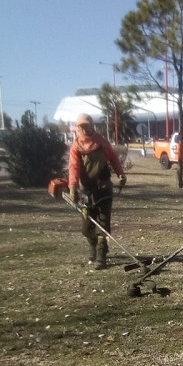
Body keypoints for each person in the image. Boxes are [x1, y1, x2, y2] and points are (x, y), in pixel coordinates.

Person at [68, 113, 127, 270]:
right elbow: (73, 167)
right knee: (86, 226)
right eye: (81, 126)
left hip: (104, 188)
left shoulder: (101, 142)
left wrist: (120, 173)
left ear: (92, 124)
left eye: (86, 125)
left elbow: (113, 158)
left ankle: (101, 254)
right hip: (86, 191)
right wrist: (72, 187)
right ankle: (93, 245)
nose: (84, 128)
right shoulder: (76, 146)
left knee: (103, 221)